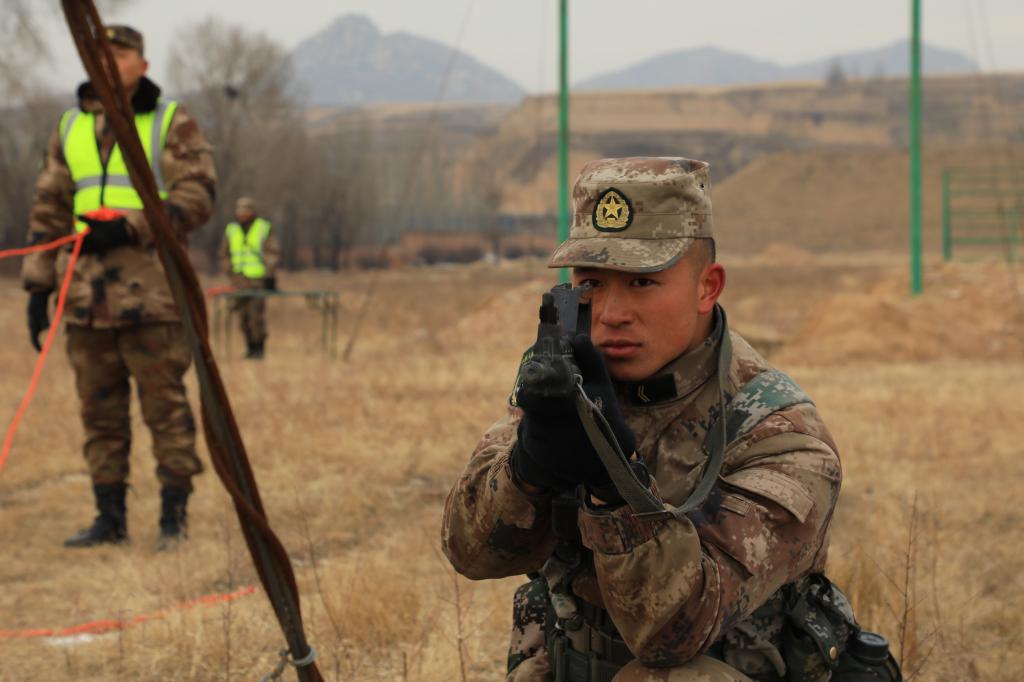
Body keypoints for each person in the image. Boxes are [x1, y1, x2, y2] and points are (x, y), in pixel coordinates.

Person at [442, 157, 857, 681]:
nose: (611, 313)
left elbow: (671, 632)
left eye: (642, 282)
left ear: (707, 287)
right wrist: (529, 465)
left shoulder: (780, 435)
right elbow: (471, 554)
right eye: (591, 283)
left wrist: (614, 486)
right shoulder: (570, 384)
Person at [21, 25, 216, 549]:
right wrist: (38, 286)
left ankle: (173, 518)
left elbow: (197, 196)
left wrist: (131, 227)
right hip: (85, 299)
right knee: (99, 414)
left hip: (151, 296)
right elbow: (48, 207)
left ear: (143, 65)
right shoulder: (70, 126)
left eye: (122, 53)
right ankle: (109, 519)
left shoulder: (170, 121)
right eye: (101, 52)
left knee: (165, 410)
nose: (110, 60)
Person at [218, 196, 279, 359]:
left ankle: (258, 348)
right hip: (238, 280)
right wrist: (229, 270)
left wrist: (268, 274)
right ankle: (250, 348)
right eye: (240, 211)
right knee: (243, 317)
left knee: (255, 316)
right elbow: (224, 253)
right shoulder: (231, 230)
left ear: (252, 212)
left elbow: (272, 253)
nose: (242, 214)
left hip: (257, 280)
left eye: (246, 211)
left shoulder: (263, 228)